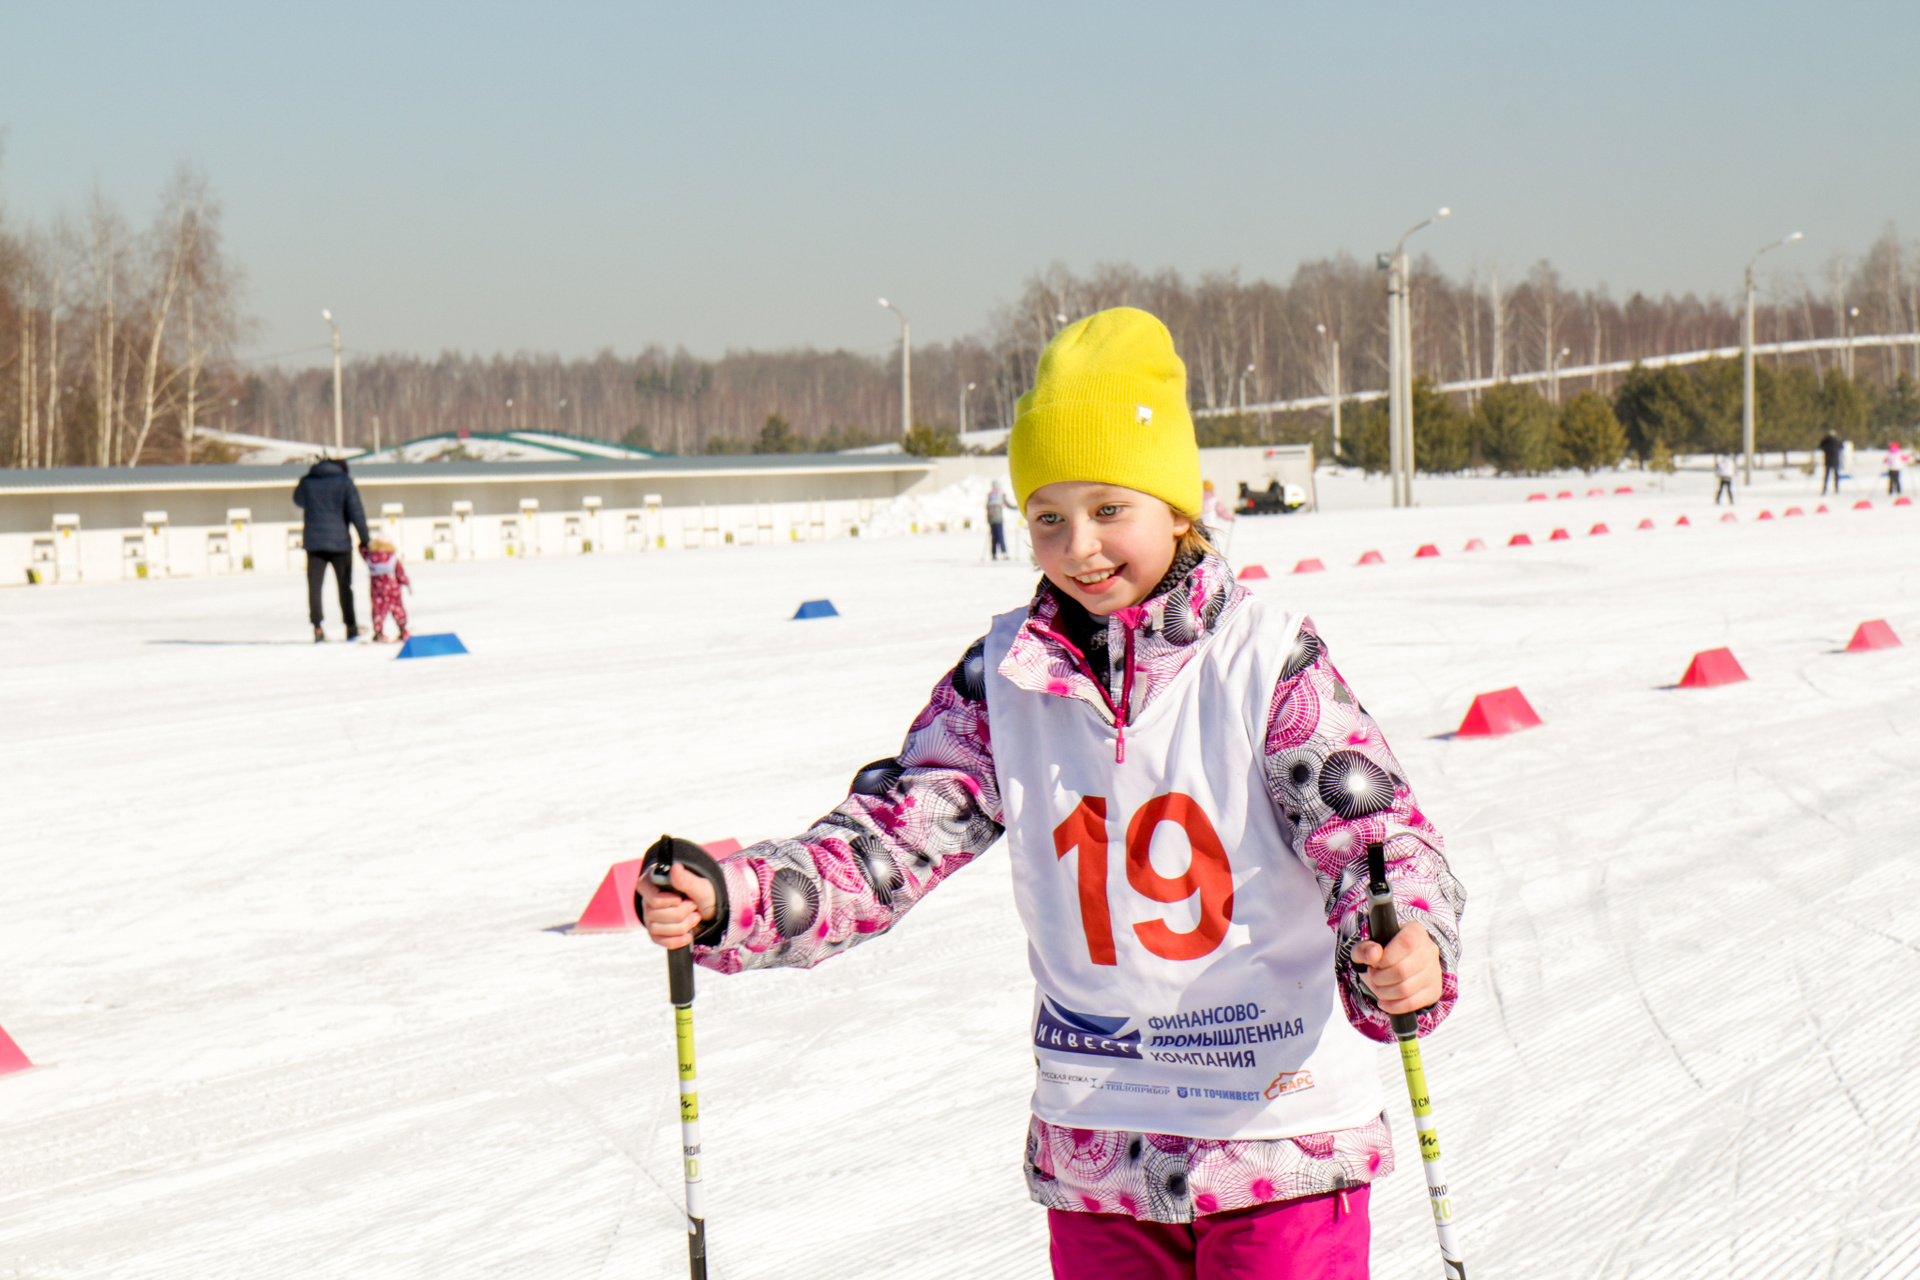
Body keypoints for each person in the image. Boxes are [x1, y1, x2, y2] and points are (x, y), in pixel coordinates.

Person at [639, 308, 1464, 1280]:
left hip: (1279, 1138)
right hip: (1100, 1145)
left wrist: (1405, 941)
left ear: (1178, 507)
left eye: (1110, 509)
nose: (1080, 546)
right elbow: (890, 841)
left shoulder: (1265, 662)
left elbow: (1375, 838)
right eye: (1048, 517)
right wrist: (732, 896)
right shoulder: (1005, 680)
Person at [293, 457, 371, 642]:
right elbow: (356, 512)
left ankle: (317, 628)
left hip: (314, 543)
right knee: (345, 586)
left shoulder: (307, 481)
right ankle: (350, 627)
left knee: (314, 587)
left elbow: (298, 500)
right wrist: (365, 540)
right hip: (340, 543)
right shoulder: (345, 482)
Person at [362, 538, 411, 643]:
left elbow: (362, 552)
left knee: (378, 610)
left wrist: (363, 544)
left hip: (377, 589)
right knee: (397, 608)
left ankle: (378, 633)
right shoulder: (392, 558)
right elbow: (399, 572)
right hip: (392, 589)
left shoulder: (370, 558)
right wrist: (405, 581)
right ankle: (402, 630)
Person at [987, 479, 1011, 560]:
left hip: (991, 519)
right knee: (1000, 535)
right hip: (999, 519)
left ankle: (994, 553)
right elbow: (1007, 504)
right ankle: (1004, 553)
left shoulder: (990, 495)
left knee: (994, 536)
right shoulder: (1001, 495)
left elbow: (986, 506)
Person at [1819, 431, 1843, 495]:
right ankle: (1836, 488)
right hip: (1835, 461)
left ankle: (1824, 489)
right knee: (1836, 475)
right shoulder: (1837, 441)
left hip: (1828, 460)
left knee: (1826, 476)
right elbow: (1842, 447)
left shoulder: (1826, 441)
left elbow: (1820, 447)